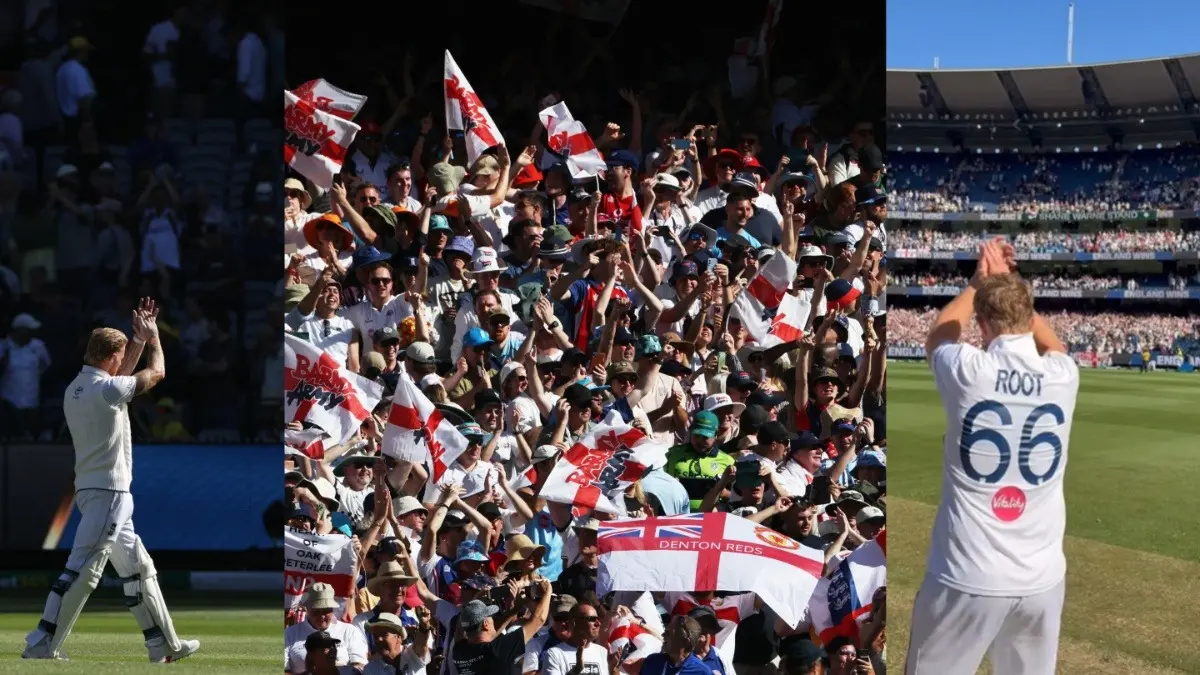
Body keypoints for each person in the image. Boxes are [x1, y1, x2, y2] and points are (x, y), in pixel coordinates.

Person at [906, 238, 1078, 675]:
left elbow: (941, 333)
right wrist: (1008, 285)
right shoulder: (1064, 374)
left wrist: (979, 283)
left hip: (966, 574)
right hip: (1042, 580)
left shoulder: (968, 369)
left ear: (981, 324)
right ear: (1027, 313)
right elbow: (1054, 346)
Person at [23, 298, 200, 663]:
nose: (122, 364)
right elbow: (156, 374)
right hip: (110, 492)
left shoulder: (79, 387)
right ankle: (42, 643)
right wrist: (152, 340)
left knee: (138, 567)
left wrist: (133, 339)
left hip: (95, 490)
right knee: (83, 569)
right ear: (111, 358)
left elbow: (121, 380)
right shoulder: (107, 390)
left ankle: (163, 645)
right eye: (119, 358)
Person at [451, 578, 553, 675]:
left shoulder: (459, 651)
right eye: (491, 617)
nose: (494, 621)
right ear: (486, 624)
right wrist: (548, 591)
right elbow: (538, 620)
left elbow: (461, 628)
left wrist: (514, 610)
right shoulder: (498, 650)